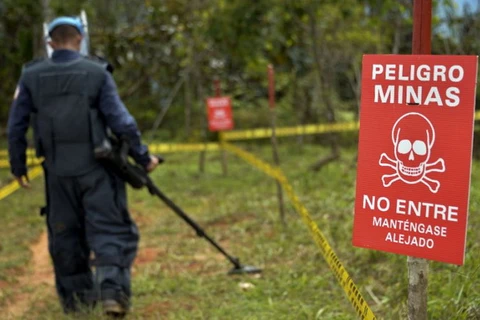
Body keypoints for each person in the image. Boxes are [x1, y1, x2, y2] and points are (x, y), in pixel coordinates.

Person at [7, 16, 159, 317]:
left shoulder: (31, 75)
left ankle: (77, 302)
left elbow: (16, 127)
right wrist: (143, 158)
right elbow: (123, 123)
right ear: (80, 39)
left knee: (65, 232)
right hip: (98, 169)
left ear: (51, 43)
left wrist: (18, 165)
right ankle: (113, 294)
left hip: (57, 172)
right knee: (109, 228)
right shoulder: (97, 72)